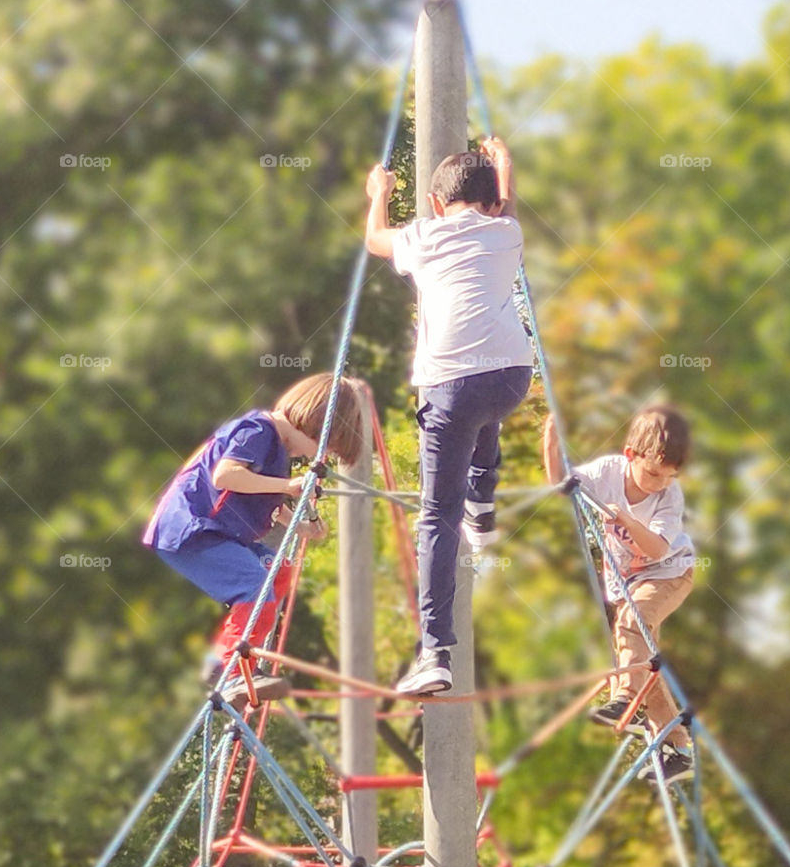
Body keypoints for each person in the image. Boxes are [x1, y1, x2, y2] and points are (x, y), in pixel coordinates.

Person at [365, 138, 533, 695]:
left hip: (451, 384)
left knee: (436, 517)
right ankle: (482, 506)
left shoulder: (422, 236)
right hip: (512, 376)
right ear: (492, 202)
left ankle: (435, 651)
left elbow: (374, 240)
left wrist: (379, 195)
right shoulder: (508, 234)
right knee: (485, 411)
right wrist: (504, 169)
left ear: (437, 205)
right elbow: (504, 207)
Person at [143, 373, 363, 711]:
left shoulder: (277, 453)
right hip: (191, 530)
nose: (324, 457)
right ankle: (230, 670)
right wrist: (288, 487)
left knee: (277, 571)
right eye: (329, 448)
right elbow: (226, 476)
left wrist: (301, 524)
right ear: (317, 428)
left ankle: (225, 660)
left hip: (218, 533)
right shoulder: (259, 430)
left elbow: (262, 499)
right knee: (253, 582)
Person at [543, 404, 695, 783]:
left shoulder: (668, 497)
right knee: (644, 664)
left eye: (669, 476)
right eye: (654, 474)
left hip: (669, 574)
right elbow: (561, 486)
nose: (660, 483)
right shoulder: (608, 472)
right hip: (629, 583)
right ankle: (678, 749)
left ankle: (628, 700)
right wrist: (551, 440)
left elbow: (657, 550)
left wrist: (626, 519)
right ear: (631, 456)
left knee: (632, 624)